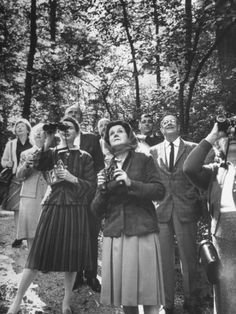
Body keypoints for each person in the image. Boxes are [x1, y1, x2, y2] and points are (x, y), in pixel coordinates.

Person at [7, 116, 96, 314]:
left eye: (70, 128)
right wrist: (48, 139)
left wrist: (73, 179)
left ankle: (66, 302)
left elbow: (92, 187)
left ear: (77, 132)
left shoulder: (85, 156)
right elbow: (37, 162)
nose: (66, 130)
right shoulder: (52, 153)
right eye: (63, 128)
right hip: (52, 206)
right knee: (37, 254)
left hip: (75, 208)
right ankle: (17, 302)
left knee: (72, 259)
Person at [91, 120, 166, 314]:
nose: (115, 134)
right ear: (107, 141)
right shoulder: (106, 169)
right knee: (126, 295)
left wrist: (130, 182)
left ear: (129, 136)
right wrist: (101, 190)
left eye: (120, 131)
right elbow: (96, 211)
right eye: (111, 133)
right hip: (116, 233)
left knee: (149, 292)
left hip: (142, 230)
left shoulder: (144, 159)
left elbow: (159, 191)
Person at [150, 113, 201, 314]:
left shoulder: (194, 148)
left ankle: (191, 301)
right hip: (161, 210)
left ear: (179, 127)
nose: (168, 123)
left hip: (186, 208)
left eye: (172, 121)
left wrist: (193, 194)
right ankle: (167, 304)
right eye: (164, 123)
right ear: (161, 130)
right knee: (164, 260)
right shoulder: (153, 151)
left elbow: (203, 173)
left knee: (188, 258)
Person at [183, 117, 236, 314]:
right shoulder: (215, 171)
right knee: (227, 295)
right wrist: (214, 134)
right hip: (223, 238)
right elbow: (189, 168)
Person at [64, 105, 104, 292]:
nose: (73, 116)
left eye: (76, 113)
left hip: (90, 196)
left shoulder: (92, 138)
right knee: (73, 237)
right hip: (69, 198)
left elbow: (99, 167)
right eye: (70, 113)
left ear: (81, 118)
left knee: (91, 235)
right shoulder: (61, 141)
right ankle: (76, 276)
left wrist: (94, 192)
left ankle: (92, 275)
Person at [15, 123, 48, 250]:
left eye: (42, 131)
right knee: (30, 231)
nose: (38, 133)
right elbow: (19, 176)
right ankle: (31, 262)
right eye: (36, 131)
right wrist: (26, 165)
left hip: (46, 193)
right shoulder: (25, 153)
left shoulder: (52, 153)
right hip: (29, 195)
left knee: (46, 229)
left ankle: (45, 263)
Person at [1, 118, 32, 248]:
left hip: (31, 177)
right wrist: (7, 163)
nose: (19, 128)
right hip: (15, 178)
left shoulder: (34, 142)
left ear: (27, 129)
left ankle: (31, 234)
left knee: (30, 207)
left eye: (22, 126)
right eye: (17, 126)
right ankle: (19, 236)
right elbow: (3, 161)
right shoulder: (11, 144)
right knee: (17, 208)